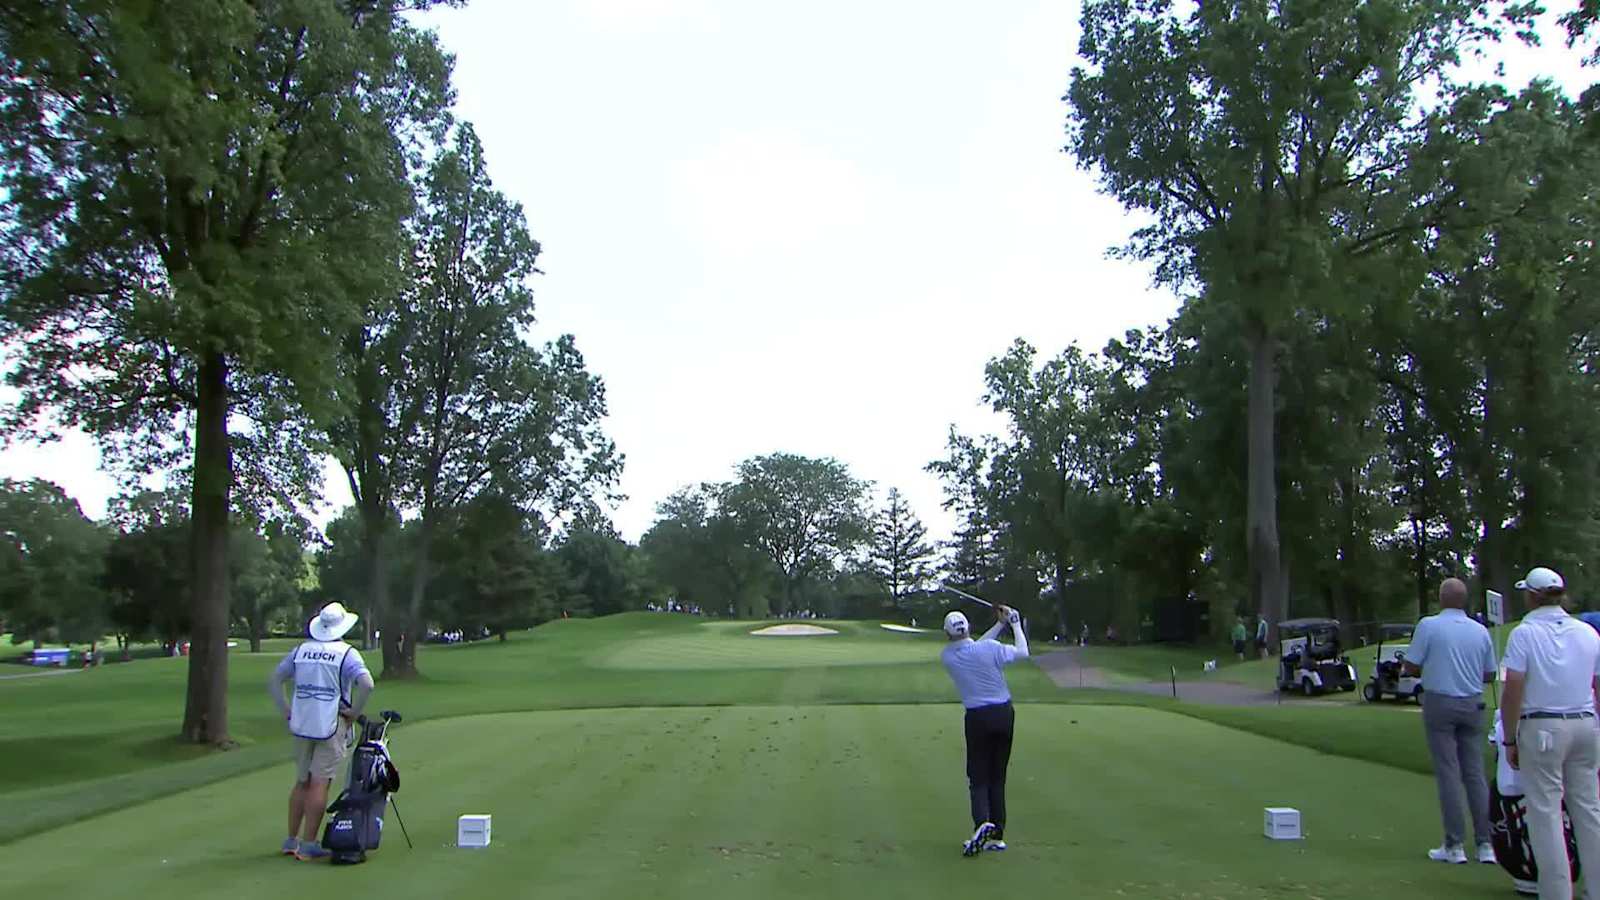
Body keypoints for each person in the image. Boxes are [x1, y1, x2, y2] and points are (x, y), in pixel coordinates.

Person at [1500, 566, 1600, 900]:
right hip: (1585, 723)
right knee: (1588, 810)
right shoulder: (1587, 632)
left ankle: (1556, 893)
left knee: (1545, 813)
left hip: (1543, 727)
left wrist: (1510, 738)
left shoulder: (1524, 634)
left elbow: (1513, 686)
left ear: (1532, 595)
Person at [268, 602, 375, 862]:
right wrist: (354, 711)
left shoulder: (301, 650)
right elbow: (366, 684)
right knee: (320, 782)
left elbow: (275, 679)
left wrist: (286, 709)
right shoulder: (346, 653)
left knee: (302, 780)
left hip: (302, 723)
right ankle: (308, 844)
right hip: (330, 722)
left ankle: (291, 839)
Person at [1403, 577, 1498, 865]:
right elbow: (1490, 674)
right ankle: (1486, 845)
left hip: (1440, 702)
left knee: (1448, 771)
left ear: (1441, 598)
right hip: (1473, 703)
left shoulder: (1429, 626)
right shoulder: (1480, 631)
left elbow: (1411, 665)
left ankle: (1454, 845)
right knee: (1474, 773)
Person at [941, 603, 1029, 857]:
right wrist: (1014, 623)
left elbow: (973, 647)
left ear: (947, 634)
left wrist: (1001, 624)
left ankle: (982, 825)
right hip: (1004, 714)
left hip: (978, 718)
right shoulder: (989, 649)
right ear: (968, 628)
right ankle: (997, 836)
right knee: (997, 777)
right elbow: (1023, 652)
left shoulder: (948, 656)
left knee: (978, 778)